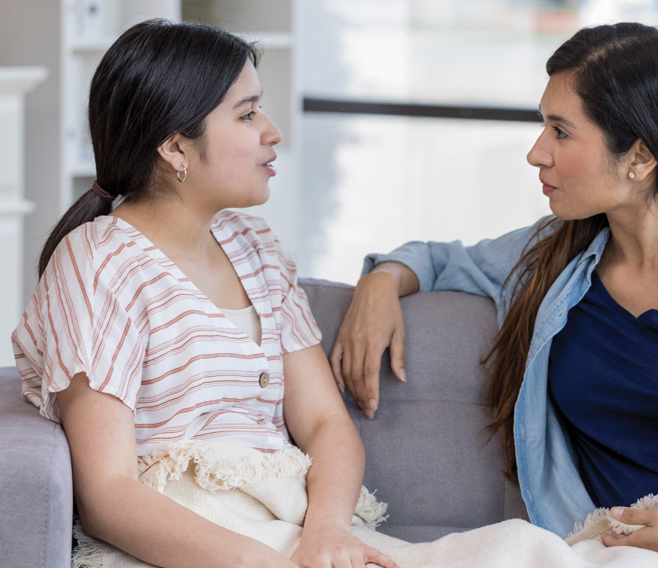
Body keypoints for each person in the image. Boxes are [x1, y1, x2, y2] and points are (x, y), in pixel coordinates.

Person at [331, 22, 658, 563]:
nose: (536, 153)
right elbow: (439, 260)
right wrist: (379, 282)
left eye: (561, 131)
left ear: (640, 158)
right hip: (599, 551)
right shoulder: (552, 256)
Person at [12, 20, 398, 568]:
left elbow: (325, 423)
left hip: (294, 529)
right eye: (247, 114)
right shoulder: (98, 263)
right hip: (187, 544)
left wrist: (328, 535)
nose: (272, 131)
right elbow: (107, 494)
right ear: (174, 147)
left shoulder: (257, 247)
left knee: (523, 551)